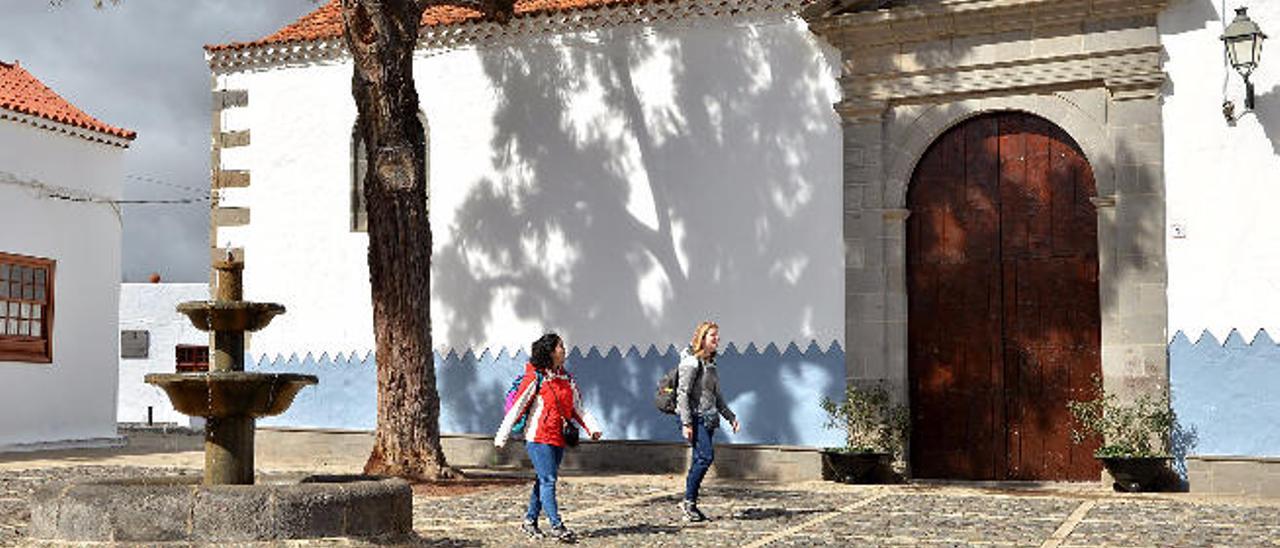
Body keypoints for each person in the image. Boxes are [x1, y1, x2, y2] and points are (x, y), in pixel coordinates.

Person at [495, 333, 602, 543]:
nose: (564, 349)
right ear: (551, 352)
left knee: (542, 480)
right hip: (538, 437)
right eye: (560, 346)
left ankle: (529, 521)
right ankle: (557, 525)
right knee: (549, 480)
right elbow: (517, 408)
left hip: (558, 437)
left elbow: (577, 407)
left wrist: (593, 428)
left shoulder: (566, 378)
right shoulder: (535, 377)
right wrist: (502, 436)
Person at [676, 321, 739, 522]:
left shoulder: (710, 364)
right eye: (713, 336)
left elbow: (717, 396)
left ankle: (690, 504)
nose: (717, 339)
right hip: (696, 417)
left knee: (699, 459)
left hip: (709, 419)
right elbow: (682, 393)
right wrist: (686, 423)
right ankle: (688, 501)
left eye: (717, 336)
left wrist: (731, 417)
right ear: (702, 338)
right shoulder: (692, 362)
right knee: (705, 457)